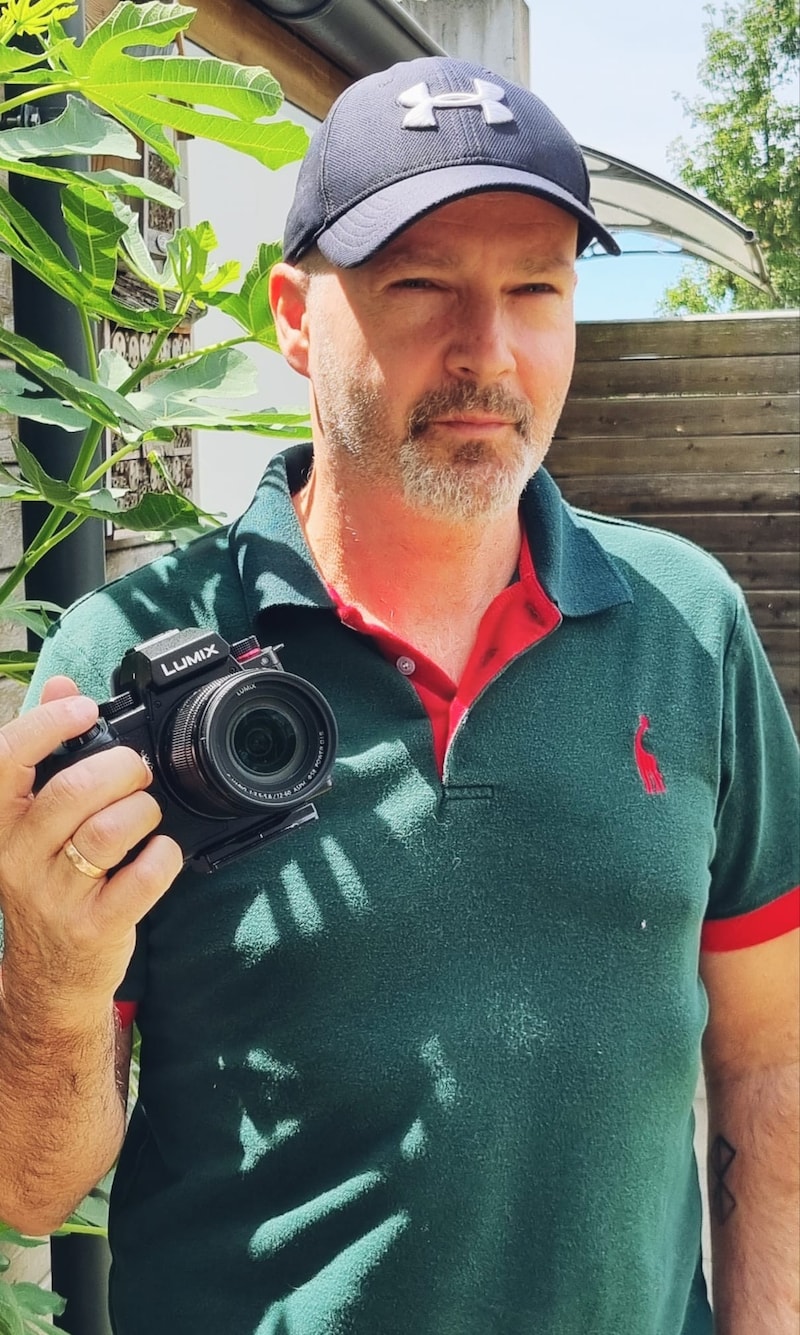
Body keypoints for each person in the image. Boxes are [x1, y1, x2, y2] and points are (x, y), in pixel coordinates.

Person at [0, 55, 797, 1335]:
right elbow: (34, 1190)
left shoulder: (687, 626)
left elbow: (767, 1063)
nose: (485, 351)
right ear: (293, 318)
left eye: (533, 288)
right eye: (418, 285)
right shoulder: (128, 661)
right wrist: (50, 973)